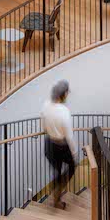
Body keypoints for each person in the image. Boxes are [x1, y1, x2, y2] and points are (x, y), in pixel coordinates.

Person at [42, 80, 77, 210]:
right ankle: (57, 193)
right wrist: (74, 152)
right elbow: (68, 135)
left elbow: (44, 125)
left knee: (56, 170)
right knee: (72, 166)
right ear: (64, 94)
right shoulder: (63, 111)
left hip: (49, 144)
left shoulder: (46, 105)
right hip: (61, 146)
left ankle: (56, 197)